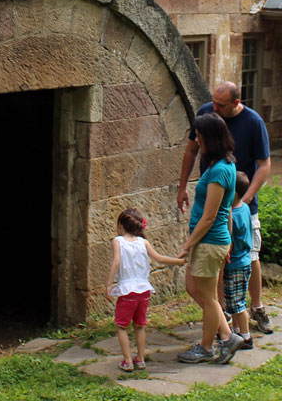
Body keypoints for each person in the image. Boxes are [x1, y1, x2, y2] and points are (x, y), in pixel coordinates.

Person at [178, 81, 273, 334]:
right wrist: (182, 186)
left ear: (236, 103)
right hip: (217, 202)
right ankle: (224, 315)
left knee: (248, 255)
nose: (214, 108)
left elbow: (264, 165)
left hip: (240, 203)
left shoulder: (253, 123)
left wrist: (246, 198)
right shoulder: (207, 115)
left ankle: (256, 307)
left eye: (221, 104)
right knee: (221, 264)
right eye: (213, 102)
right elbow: (190, 151)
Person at [176, 112, 245, 365]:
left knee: (208, 298)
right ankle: (227, 336)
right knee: (195, 289)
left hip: (209, 241)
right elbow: (225, 212)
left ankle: (207, 347)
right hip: (213, 242)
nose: (196, 139)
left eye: (198, 135)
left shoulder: (219, 172)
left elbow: (210, 217)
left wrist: (187, 245)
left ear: (209, 137)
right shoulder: (221, 165)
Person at [106, 208, 185, 373]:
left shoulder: (118, 241)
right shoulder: (144, 242)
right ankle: (140, 359)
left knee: (122, 326)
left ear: (120, 225)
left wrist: (109, 284)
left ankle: (127, 361)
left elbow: (116, 262)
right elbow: (159, 258)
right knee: (140, 326)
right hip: (144, 290)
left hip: (127, 291)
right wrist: (180, 261)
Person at [224, 171, 254, 349]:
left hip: (236, 264)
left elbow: (231, 241)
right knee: (233, 301)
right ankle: (236, 331)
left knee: (237, 303)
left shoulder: (233, 216)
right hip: (243, 262)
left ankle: (246, 336)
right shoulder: (244, 207)